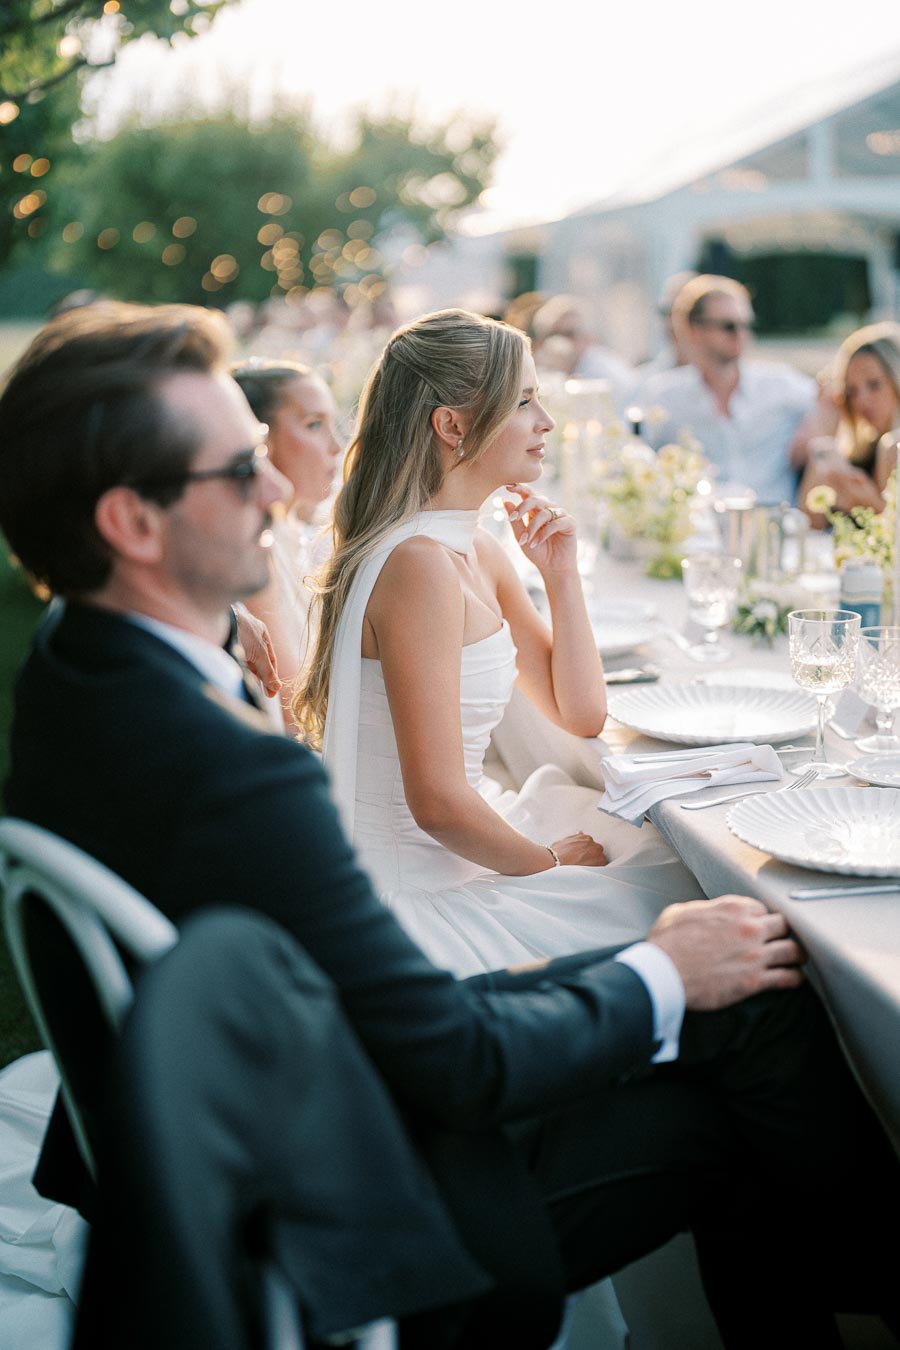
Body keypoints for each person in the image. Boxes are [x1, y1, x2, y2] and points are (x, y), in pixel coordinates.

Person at [2, 301, 899, 1349]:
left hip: (273, 1117)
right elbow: (454, 1059)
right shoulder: (234, 772)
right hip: (367, 1217)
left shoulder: (81, 676)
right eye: (242, 468)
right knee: (752, 1000)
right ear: (133, 524)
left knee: (745, 1048)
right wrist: (662, 973)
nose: (286, 489)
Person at [295, 309, 700, 978]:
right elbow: (438, 805)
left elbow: (581, 714)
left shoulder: (475, 548)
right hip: (418, 897)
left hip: (462, 854)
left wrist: (561, 577)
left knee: (667, 867)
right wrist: (549, 867)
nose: (546, 422)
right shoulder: (418, 566)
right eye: (525, 401)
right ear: (452, 425)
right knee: (679, 909)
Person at [635, 274, 816, 503]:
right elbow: (633, 457)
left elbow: (835, 393)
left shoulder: (780, 384)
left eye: (746, 325)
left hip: (773, 525)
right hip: (700, 530)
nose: (741, 334)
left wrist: (817, 428)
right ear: (694, 329)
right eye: (729, 326)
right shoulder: (663, 396)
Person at [231, 359, 342, 716]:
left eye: (333, 425)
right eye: (314, 425)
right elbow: (292, 704)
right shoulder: (256, 550)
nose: (336, 447)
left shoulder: (301, 535)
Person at [796, 322, 900, 522]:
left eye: (874, 385)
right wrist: (826, 432)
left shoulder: (893, 449)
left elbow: (893, 538)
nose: (861, 400)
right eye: (851, 391)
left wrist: (867, 501)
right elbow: (809, 522)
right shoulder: (855, 457)